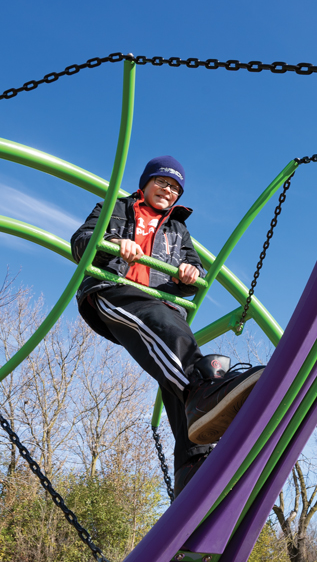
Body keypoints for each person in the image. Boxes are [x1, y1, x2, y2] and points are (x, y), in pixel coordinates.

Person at [71, 155, 264, 496]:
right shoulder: (116, 207)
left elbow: (193, 269)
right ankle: (205, 393)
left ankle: (194, 468)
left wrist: (191, 275)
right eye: (162, 182)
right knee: (181, 359)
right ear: (145, 184)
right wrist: (116, 244)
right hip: (113, 290)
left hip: (161, 301)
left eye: (175, 187)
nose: (168, 190)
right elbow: (82, 241)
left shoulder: (178, 229)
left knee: (177, 376)